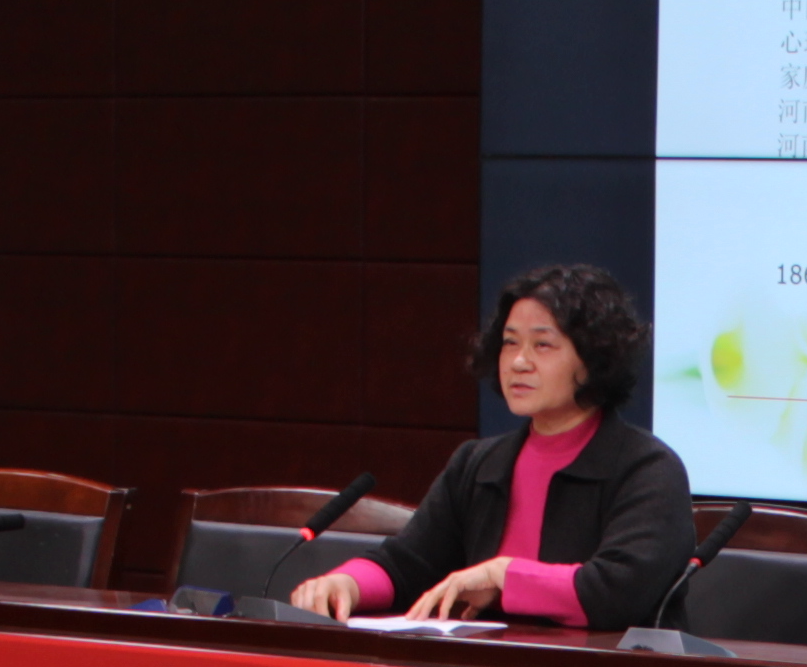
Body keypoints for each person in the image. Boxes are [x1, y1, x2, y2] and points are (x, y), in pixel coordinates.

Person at [288, 264, 699, 630]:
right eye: (509, 343)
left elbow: (617, 592)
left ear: (594, 360)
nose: (518, 362)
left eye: (542, 345)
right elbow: (407, 564)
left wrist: (504, 576)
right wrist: (346, 583)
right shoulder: (478, 464)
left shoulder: (647, 469)